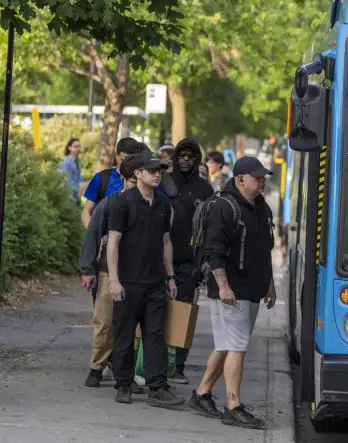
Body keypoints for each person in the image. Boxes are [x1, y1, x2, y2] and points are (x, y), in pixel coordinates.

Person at [188, 156, 276, 429]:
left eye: (263, 177)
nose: (262, 181)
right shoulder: (224, 207)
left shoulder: (262, 208)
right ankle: (233, 405)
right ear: (240, 179)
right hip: (231, 291)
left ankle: (201, 393)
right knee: (238, 347)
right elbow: (215, 251)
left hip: (253, 288)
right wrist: (224, 286)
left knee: (228, 345)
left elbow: (264, 250)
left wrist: (270, 284)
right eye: (257, 177)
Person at [106, 151, 183, 408]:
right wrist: (114, 280)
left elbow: (166, 241)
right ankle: (124, 384)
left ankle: (158, 386)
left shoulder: (163, 205)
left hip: (155, 283)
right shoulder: (122, 202)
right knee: (124, 335)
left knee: (155, 334)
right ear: (137, 174)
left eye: (159, 170)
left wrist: (170, 276)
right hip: (127, 282)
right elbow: (113, 243)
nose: (157, 174)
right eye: (152, 170)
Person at [79, 155, 143, 395]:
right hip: (107, 272)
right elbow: (93, 235)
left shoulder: (151, 204)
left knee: (131, 329)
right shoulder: (108, 204)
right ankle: (96, 367)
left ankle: (123, 372)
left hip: (138, 276)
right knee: (104, 322)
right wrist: (88, 268)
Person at [161, 138, 214, 384]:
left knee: (182, 314)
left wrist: (202, 266)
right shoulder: (162, 181)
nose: (185, 160)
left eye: (191, 156)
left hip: (189, 263)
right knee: (153, 312)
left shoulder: (205, 190)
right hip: (158, 259)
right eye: (181, 155)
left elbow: (210, 229)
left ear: (197, 159)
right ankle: (151, 364)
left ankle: (177, 366)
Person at [82, 137, 143, 229]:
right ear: (117, 157)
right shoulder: (101, 178)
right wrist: (95, 236)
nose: (127, 163)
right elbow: (86, 212)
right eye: (123, 160)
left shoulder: (145, 179)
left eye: (131, 160)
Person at [59, 138, 82, 204]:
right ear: (69, 148)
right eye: (75, 146)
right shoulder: (66, 162)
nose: (78, 148)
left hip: (77, 198)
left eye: (79, 146)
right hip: (70, 199)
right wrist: (72, 200)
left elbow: (79, 180)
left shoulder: (77, 162)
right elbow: (66, 182)